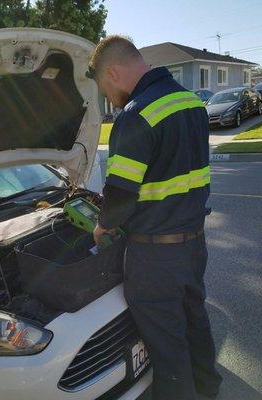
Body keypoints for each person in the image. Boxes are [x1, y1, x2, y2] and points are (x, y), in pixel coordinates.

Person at [88, 36, 222, 400]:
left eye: (103, 86)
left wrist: (102, 225)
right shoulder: (189, 101)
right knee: (195, 319)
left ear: (113, 73)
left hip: (156, 255)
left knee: (166, 340)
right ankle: (208, 388)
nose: (108, 96)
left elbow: (119, 196)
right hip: (194, 242)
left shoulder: (135, 115)